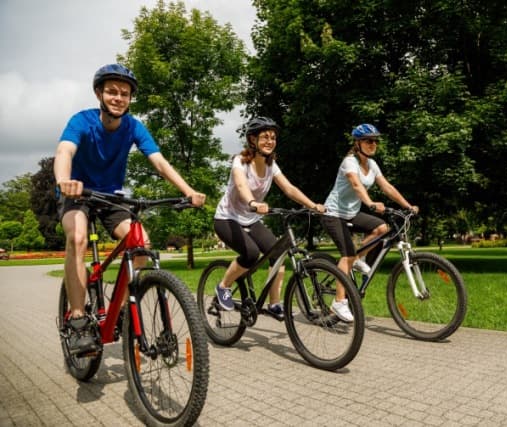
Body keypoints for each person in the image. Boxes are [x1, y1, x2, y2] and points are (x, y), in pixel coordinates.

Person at [54, 64, 206, 355]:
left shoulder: (134, 126)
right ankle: (76, 318)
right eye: (112, 91)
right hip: (77, 192)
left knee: (141, 245)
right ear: (99, 93)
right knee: (77, 238)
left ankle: (121, 309)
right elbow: (65, 151)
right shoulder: (82, 121)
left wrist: (188, 191)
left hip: (111, 196)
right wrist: (64, 180)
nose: (118, 98)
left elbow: (159, 161)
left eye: (124, 93)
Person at [213, 116, 325, 320]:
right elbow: (241, 185)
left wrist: (312, 205)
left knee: (279, 252)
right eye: (265, 137)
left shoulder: (272, 166)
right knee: (251, 254)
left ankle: (274, 303)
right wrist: (253, 203)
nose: (270, 141)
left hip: (251, 219)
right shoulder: (240, 161)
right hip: (227, 218)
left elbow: (289, 188)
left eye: (273, 138)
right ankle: (223, 287)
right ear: (252, 140)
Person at [321, 123, 418, 322]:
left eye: (375, 141)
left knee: (381, 228)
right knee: (346, 256)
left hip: (351, 213)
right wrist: (370, 203)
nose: (373, 144)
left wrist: (408, 206)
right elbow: (356, 185)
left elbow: (387, 187)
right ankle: (339, 303)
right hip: (332, 214)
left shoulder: (372, 165)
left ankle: (357, 259)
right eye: (368, 140)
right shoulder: (350, 162)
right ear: (357, 143)